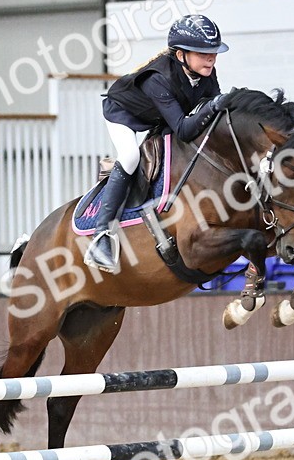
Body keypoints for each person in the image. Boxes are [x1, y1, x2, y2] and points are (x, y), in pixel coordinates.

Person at [85, 14, 229, 274]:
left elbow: (209, 115)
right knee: (130, 156)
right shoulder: (158, 79)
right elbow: (185, 128)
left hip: (161, 115)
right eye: (203, 53)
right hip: (123, 113)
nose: (211, 58)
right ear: (181, 55)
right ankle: (102, 234)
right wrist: (214, 105)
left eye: (213, 52)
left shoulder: (206, 72)